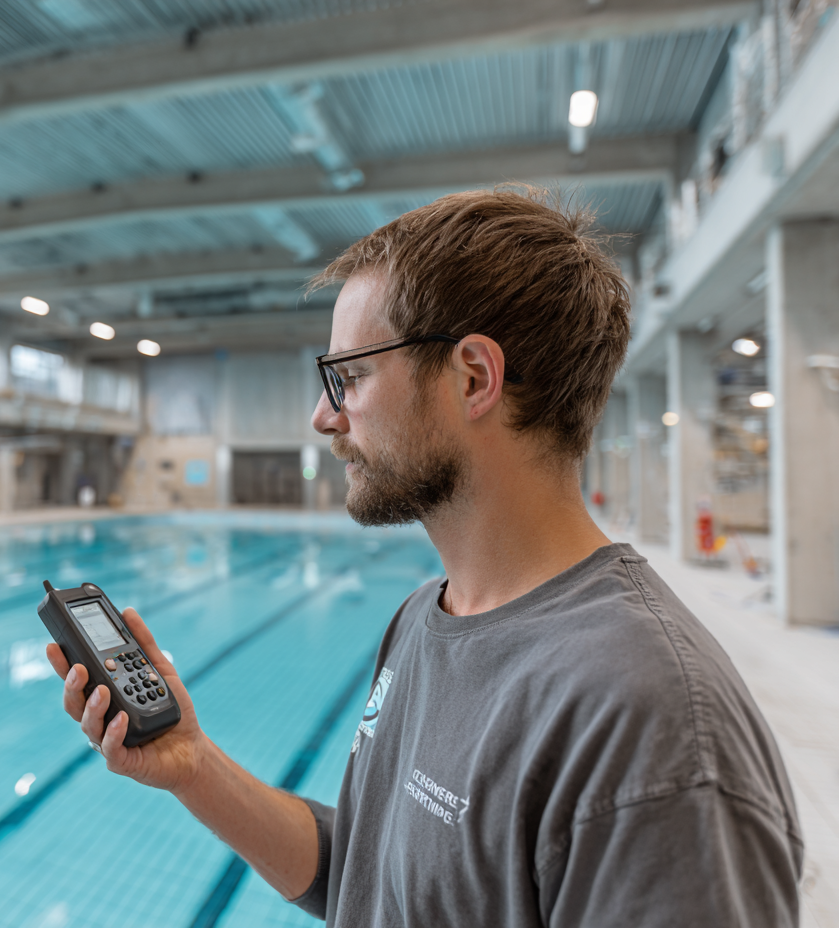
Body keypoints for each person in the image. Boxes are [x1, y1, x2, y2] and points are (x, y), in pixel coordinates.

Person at [46, 189, 802, 926]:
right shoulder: (425, 618)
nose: (323, 416)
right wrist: (194, 764)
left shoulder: (648, 721)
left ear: (474, 378)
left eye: (350, 376)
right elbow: (372, 873)